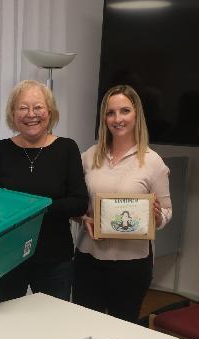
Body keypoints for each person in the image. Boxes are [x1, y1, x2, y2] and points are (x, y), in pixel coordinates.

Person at [73, 85, 172, 323]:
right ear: (104, 118)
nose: (117, 119)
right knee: (84, 329)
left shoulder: (153, 161)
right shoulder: (88, 156)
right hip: (89, 261)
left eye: (125, 111)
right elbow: (76, 205)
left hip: (132, 266)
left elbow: (167, 212)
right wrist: (83, 219)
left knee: (122, 334)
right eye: (110, 113)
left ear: (136, 114)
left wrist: (158, 217)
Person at [0, 80, 88, 303]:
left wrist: (34, 207)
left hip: (55, 258)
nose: (31, 114)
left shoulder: (67, 148)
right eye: (23, 107)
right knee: (6, 324)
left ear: (50, 112)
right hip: (6, 258)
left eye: (38, 107)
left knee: (53, 327)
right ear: (13, 113)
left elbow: (79, 202)